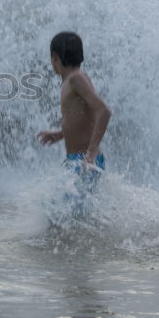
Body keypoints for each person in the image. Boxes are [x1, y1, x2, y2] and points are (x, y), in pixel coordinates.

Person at [37, 32, 112, 217]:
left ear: (55, 57)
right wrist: (60, 134)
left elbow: (103, 111)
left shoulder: (76, 79)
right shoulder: (74, 80)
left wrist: (92, 151)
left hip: (84, 161)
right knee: (67, 217)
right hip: (77, 161)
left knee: (61, 218)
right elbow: (82, 117)